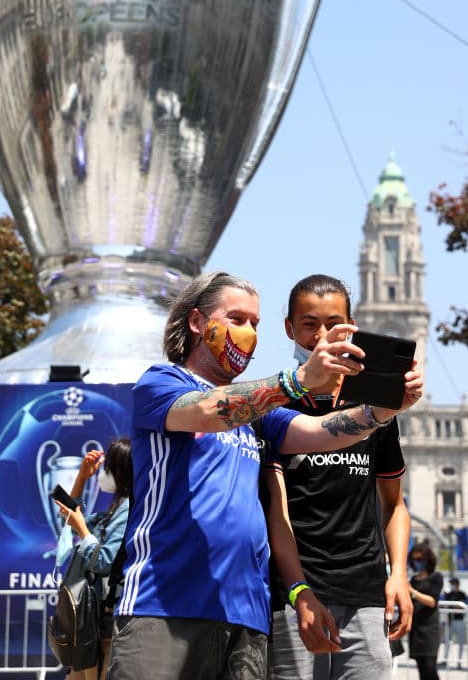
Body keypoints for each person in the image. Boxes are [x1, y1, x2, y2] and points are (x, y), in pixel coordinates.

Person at [106, 270, 423, 680]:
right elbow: (208, 410)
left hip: (244, 614)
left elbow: (319, 433)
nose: (248, 333)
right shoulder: (162, 382)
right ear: (198, 321)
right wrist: (297, 380)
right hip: (165, 604)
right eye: (236, 319)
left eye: (255, 323)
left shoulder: (260, 417)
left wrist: (384, 409)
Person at [265, 274, 413, 680]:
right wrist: (298, 591)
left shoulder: (376, 408)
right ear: (290, 329)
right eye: (310, 324)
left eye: (334, 323)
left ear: (352, 326)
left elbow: (394, 503)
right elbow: (275, 515)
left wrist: (398, 573)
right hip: (295, 598)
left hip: (367, 595)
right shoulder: (275, 404)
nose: (323, 335)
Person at [56, 437, 133, 680]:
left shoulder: (128, 507)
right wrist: (81, 478)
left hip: (106, 624)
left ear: (122, 472)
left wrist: (82, 529)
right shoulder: (113, 508)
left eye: (108, 467)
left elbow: (103, 561)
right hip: (90, 626)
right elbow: (68, 519)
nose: (104, 472)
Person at [408, 541, 443, 680]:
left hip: (429, 630)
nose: (417, 562)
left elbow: (432, 601)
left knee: (430, 669)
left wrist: (413, 591)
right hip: (416, 630)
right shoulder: (413, 579)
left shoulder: (436, 577)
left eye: (420, 560)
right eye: (414, 560)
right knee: (422, 670)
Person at [442, 577, 467, 669]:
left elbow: (461, 606)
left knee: (460, 642)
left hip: (459, 621)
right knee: (447, 641)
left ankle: (459, 661)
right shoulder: (449, 594)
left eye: (452, 583)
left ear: (456, 584)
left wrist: (452, 605)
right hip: (450, 621)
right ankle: (445, 660)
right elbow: (445, 606)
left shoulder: (462, 594)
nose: (451, 585)